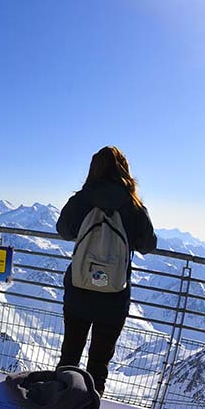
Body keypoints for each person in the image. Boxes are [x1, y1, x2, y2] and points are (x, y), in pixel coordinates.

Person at [55, 146, 157, 396]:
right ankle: (90, 404)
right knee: (99, 361)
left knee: (70, 353)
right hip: (114, 294)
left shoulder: (80, 199)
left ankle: (59, 399)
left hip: (79, 288)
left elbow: (64, 230)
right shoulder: (133, 205)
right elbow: (148, 245)